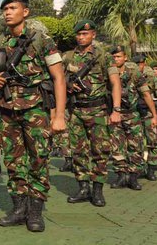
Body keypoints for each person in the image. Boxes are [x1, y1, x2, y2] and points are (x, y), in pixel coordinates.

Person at [0, 0, 66, 233]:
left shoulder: (41, 40)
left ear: (25, 12)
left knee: (38, 158)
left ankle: (35, 211)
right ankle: (19, 208)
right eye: (5, 8)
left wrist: (59, 115)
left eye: (12, 8)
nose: (7, 12)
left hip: (35, 108)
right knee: (12, 160)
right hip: (6, 108)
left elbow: (59, 78)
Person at [64, 20, 121, 207]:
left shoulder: (103, 56)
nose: (81, 37)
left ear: (93, 35)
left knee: (100, 151)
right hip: (76, 110)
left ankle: (97, 190)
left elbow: (115, 83)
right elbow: (58, 79)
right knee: (78, 151)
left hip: (98, 110)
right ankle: (83, 188)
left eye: (85, 34)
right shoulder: (68, 57)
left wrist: (116, 110)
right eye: (79, 34)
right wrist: (68, 84)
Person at [108, 47, 157, 190]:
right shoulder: (108, 73)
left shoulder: (134, 73)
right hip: (115, 115)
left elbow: (146, 94)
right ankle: (121, 175)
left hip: (132, 114)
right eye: (114, 57)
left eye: (118, 56)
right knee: (117, 146)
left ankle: (133, 176)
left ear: (125, 58)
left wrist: (154, 115)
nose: (116, 59)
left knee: (136, 146)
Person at [134, 57, 157, 181]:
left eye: (139, 64)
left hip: (149, 114)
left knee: (152, 142)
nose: (137, 66)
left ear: (143, 65)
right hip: (134, 114)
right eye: (135, 64)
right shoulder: (129, 77)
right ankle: (139, 168)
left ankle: (151, 169)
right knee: (136, 143)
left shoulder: (153, 79)